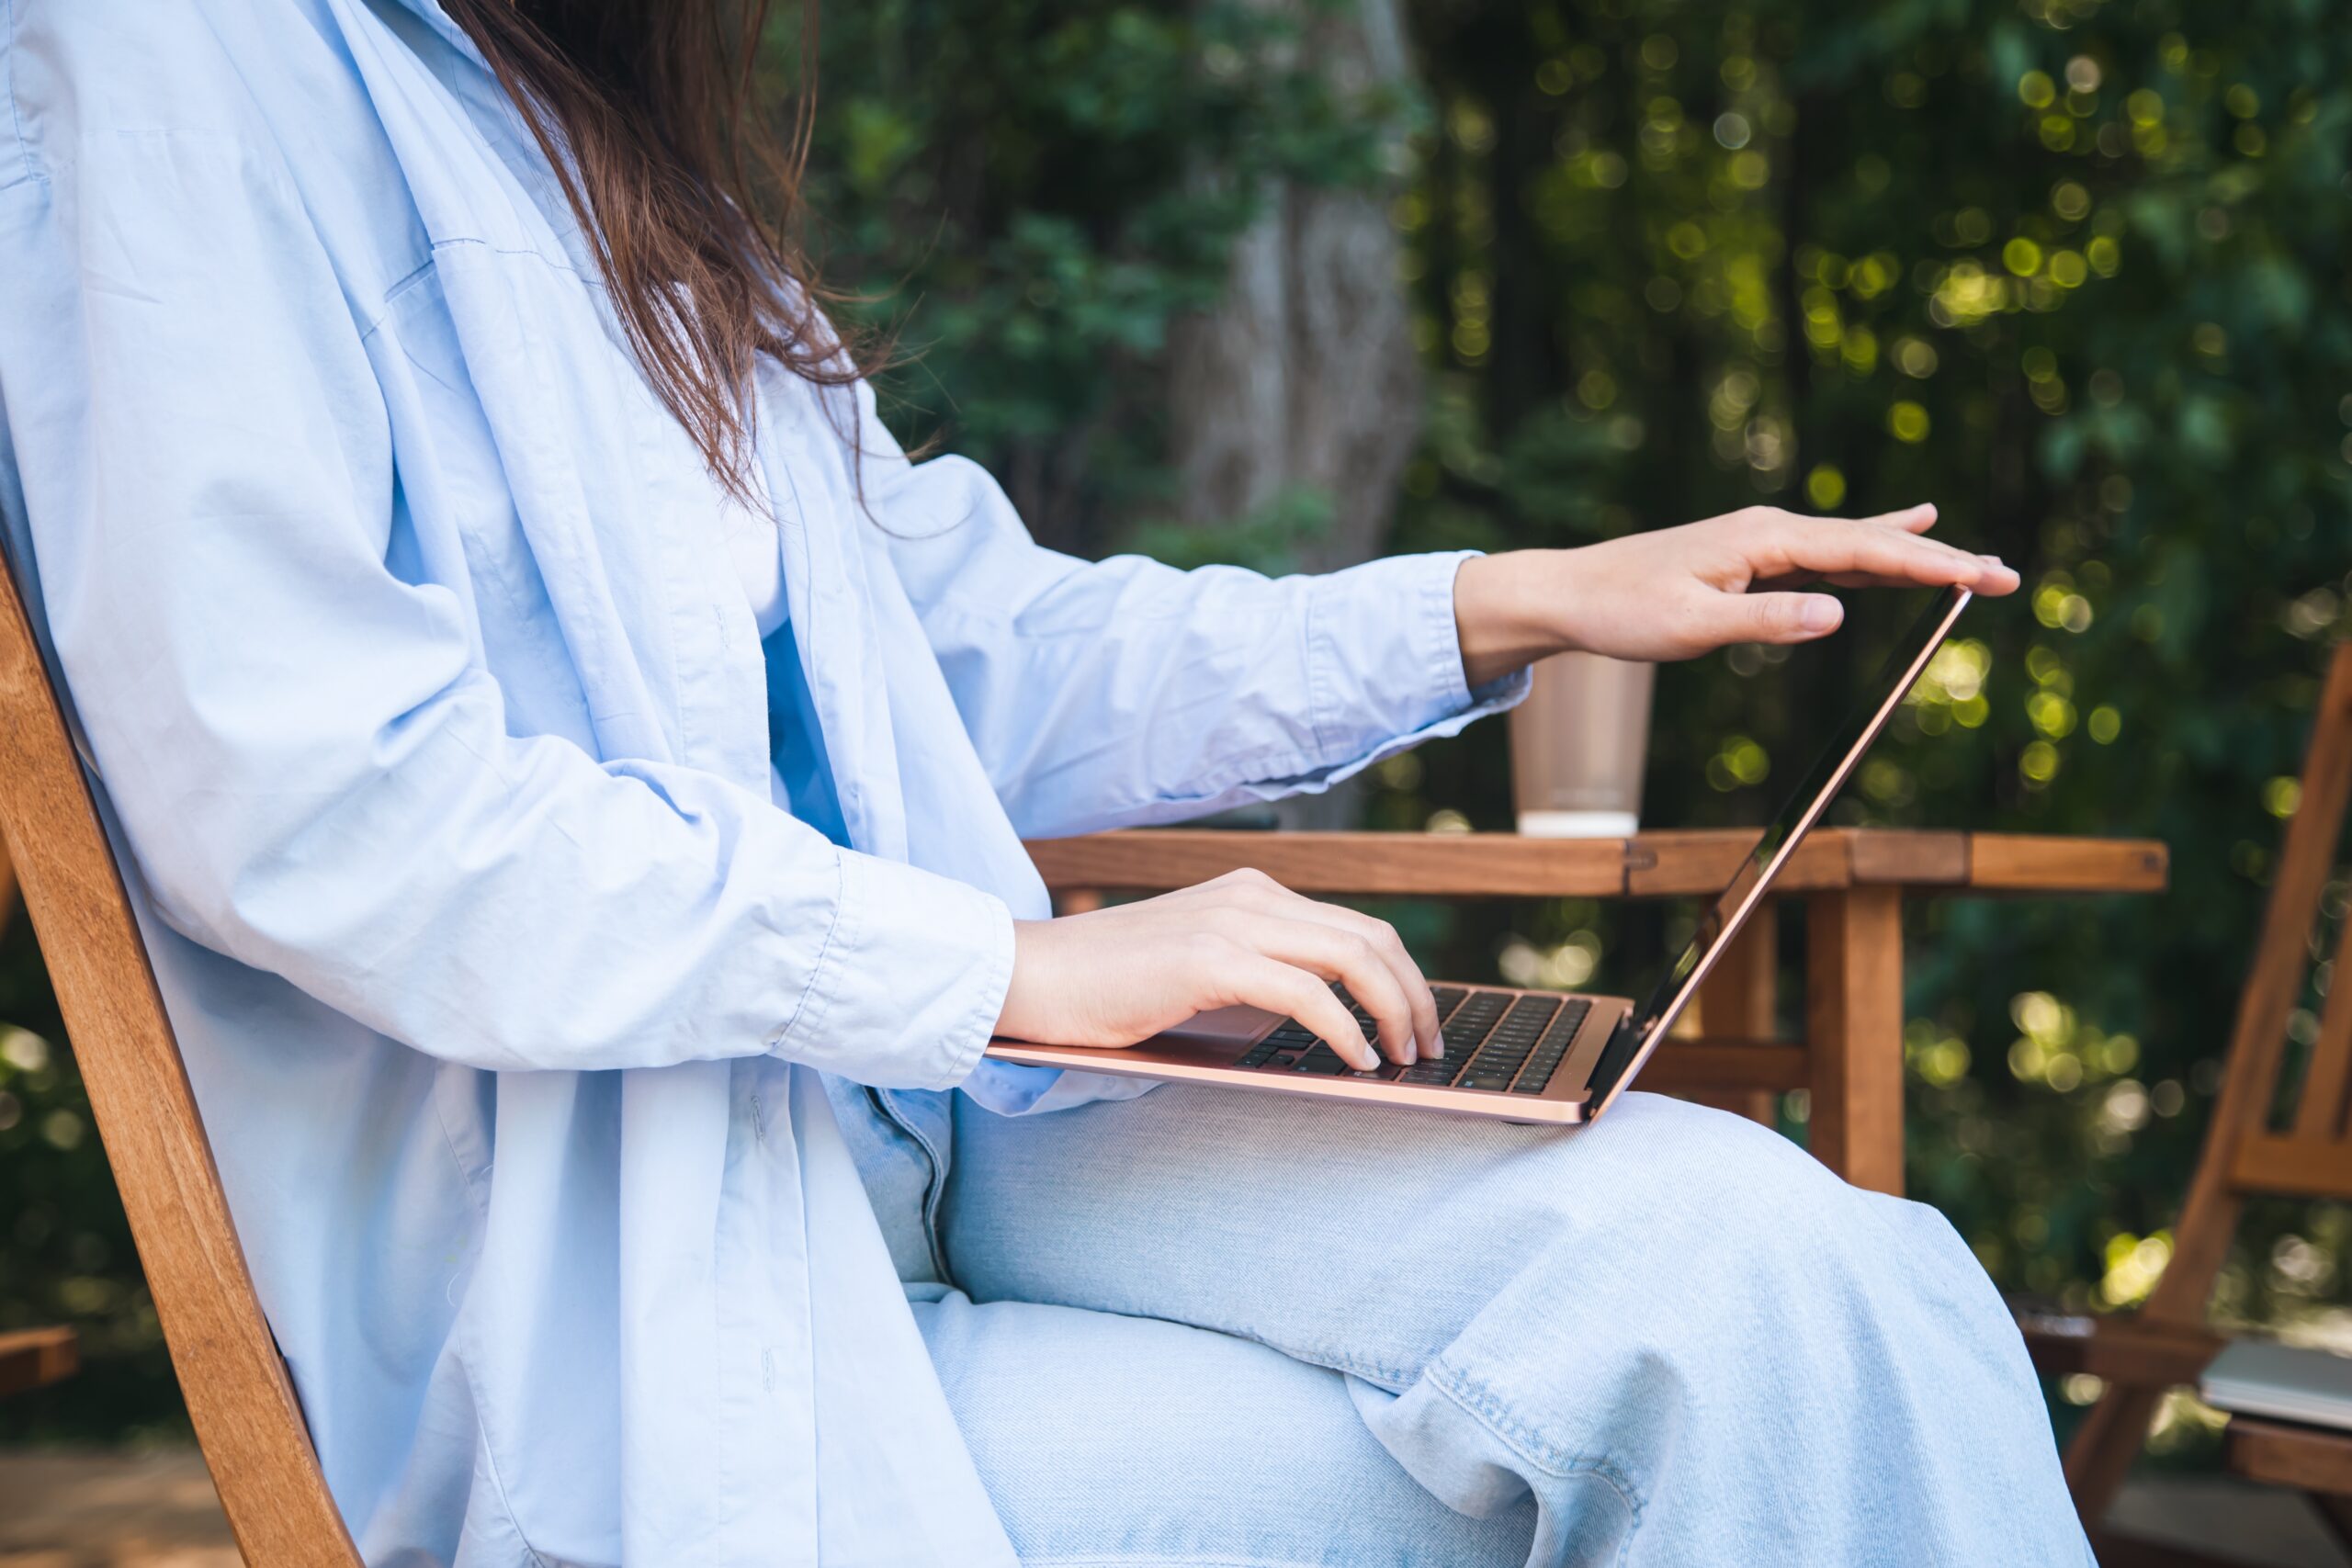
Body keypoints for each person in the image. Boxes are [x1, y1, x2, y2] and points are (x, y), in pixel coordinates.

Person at [0, 3, 2091, 1564]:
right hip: (651, 1297)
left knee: (1803, 1285)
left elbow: (963, 645)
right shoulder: (177, 52)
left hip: (948, 1131)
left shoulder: (570, 108)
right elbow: (314, 800)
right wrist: (990, 963)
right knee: (1553, 1486)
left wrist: (1496, 601)